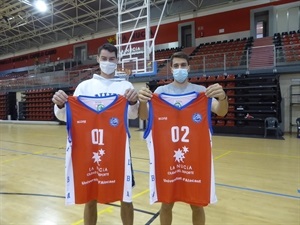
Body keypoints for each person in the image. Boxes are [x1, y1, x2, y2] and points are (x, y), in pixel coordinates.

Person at [52, 43, 138, 225]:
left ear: (117, 61)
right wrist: (60, 104)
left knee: (126, 197)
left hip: (119, 150)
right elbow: (66, 116)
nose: (108, 62)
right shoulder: (85, 87)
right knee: (90, 197)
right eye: (104, 58)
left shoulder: (126, 85)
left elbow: (133, 114)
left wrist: (133, 102)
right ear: (98, 59)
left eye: (112, 59)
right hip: (91, 150)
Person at [138, 51, 228, 225]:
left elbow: (221, 111)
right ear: (171, 69)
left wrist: (223, 96)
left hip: (194, 159)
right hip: (168, 159)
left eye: (183, 65)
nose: (180, 69)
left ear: (189, 68)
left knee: (197, 205)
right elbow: (144, 116)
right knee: (166, 204)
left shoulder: (202, 92)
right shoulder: (160, 92)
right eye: (176, 66)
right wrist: (142, 101)